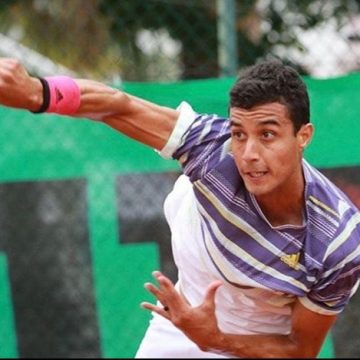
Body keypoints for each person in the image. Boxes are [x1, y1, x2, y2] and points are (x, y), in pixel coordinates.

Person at [0, 57, 359, 358]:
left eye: (267, 134)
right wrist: (37, 92)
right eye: (238, 133)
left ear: (303, 136)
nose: (248, 154)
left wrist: (214, 339)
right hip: (192, 294)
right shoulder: (212, 148)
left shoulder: (338, 242)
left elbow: (300, 348)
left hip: (258, 328)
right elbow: (118, 104)